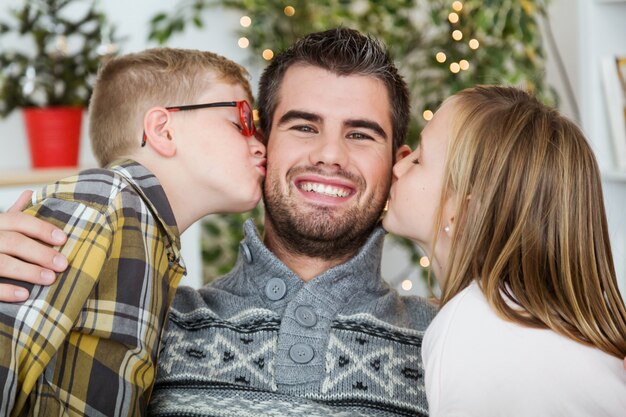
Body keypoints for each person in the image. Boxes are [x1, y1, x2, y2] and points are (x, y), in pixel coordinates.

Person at [0, 28, 437, 416]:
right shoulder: (159, 315)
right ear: (265, 147)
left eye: (360, 135)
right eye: (304, 127)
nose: (329, 155)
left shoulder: (445, 335)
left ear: (398, 165)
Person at [0, 48, 266, 416]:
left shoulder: (151, 240)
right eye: (240, 123)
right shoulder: (102, 202)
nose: (259, 145)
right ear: (163, 130)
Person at [383, 85, 626, 416]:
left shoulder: (471, 330)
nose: (397, 167)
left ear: (462, 211)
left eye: (419, 159)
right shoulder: (564, 335)